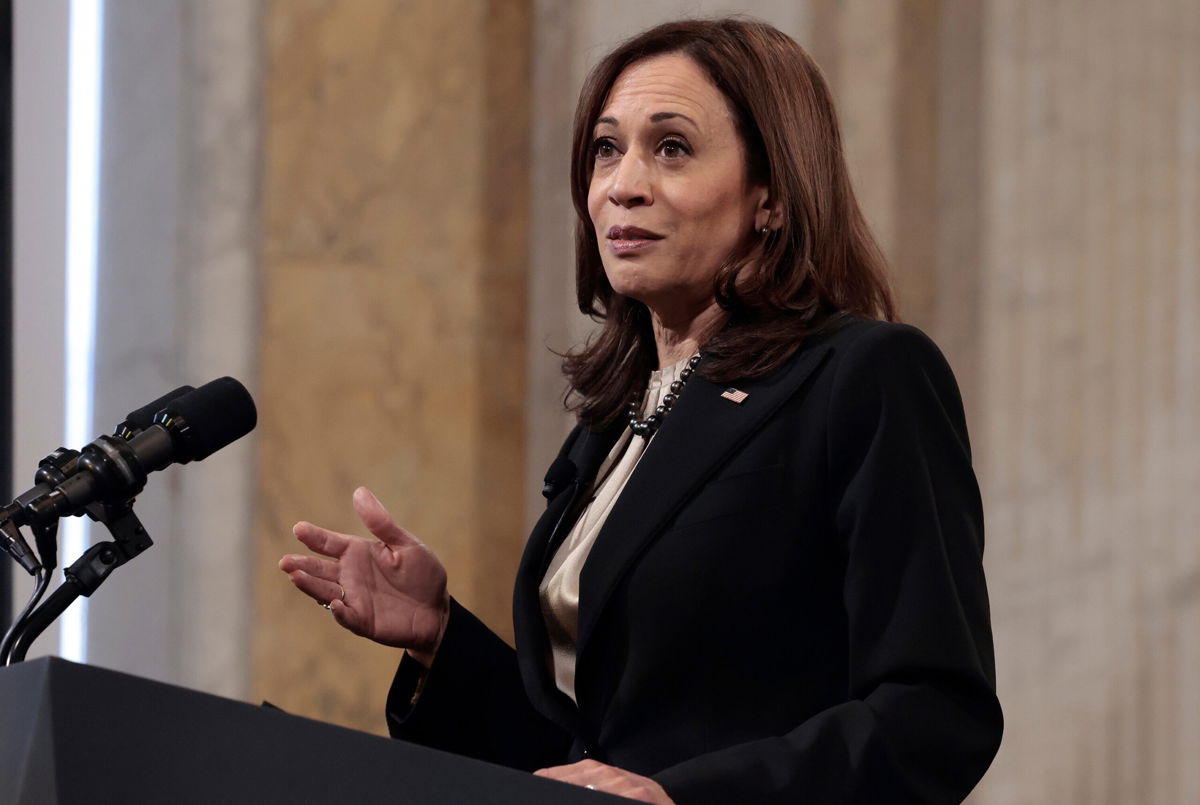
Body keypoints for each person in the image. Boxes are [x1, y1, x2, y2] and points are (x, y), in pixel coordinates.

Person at [279, 17, 1002, 804]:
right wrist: (440, 638)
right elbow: (586, 752)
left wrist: (684, 797)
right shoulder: (612, 421)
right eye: (605, 148)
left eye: (672, 148)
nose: (622, 183)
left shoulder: (863, 375)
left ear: (772, 196)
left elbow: (935, 715)